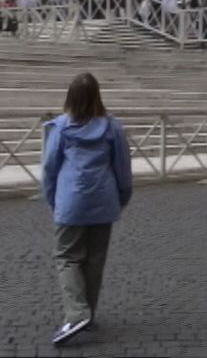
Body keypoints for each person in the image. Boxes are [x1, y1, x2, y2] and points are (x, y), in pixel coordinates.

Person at [42, 73, 132, 345]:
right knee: (95, 260)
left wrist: (52, 200)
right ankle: (87, 314)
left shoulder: (60, 128)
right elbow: (122, 167)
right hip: (104, 201)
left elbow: (49, 169)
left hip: (71, 201)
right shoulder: (112, 127)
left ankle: (77, 313)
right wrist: (122, 197)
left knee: (67, 257)